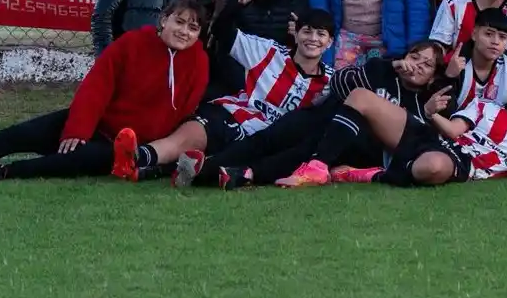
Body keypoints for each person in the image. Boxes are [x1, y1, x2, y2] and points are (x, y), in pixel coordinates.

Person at [0, 0, 212, 181]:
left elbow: (185, 112)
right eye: (179, 22)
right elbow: (97, 86)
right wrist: (78, 129)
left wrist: (151, 153)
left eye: (193, 27)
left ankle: (2, 171)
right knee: (23, 133)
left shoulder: (199, 62)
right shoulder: (132, 43)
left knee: (72, 161)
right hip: (97, 123)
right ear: (164, 20)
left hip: (125, 146)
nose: (184, 32)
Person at [173, 41, 449, 190]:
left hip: (348, 143)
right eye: (416, 57)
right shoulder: (380, 68)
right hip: (321, 114)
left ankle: (223, 173)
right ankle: (206, 168)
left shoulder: (418, 104)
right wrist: (393, 65)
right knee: (272, 136)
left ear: (431, 78)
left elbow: (403, 141)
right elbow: (340, 84)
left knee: (307, 146)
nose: (417, 66)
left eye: (427, 65)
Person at [108, 6, 336, 180]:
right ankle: (137, 157)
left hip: (260, 140)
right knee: (188, 138)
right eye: (307, 31)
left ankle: (153, 170)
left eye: (320, 34)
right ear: (295, 34)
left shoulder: (331, 81)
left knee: (211, 161)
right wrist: (236, 4)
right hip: (232, 113)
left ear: (329, 42)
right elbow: (223, 31)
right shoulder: (269, 52)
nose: (313, 39)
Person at [276, 52, 507, 188]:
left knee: (433, 167)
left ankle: (366, 173)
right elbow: (452, 130)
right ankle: (317, 167)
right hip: (441, 141)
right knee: (361, 96)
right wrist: (430, 113)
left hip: (462, 164)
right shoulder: (486, 107)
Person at [204, 0, 311, 98]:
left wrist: (299, 36)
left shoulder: (299, 4)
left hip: (277, 84)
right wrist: (237, 4)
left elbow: (308, 53)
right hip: (236, 82)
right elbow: (219, 32)